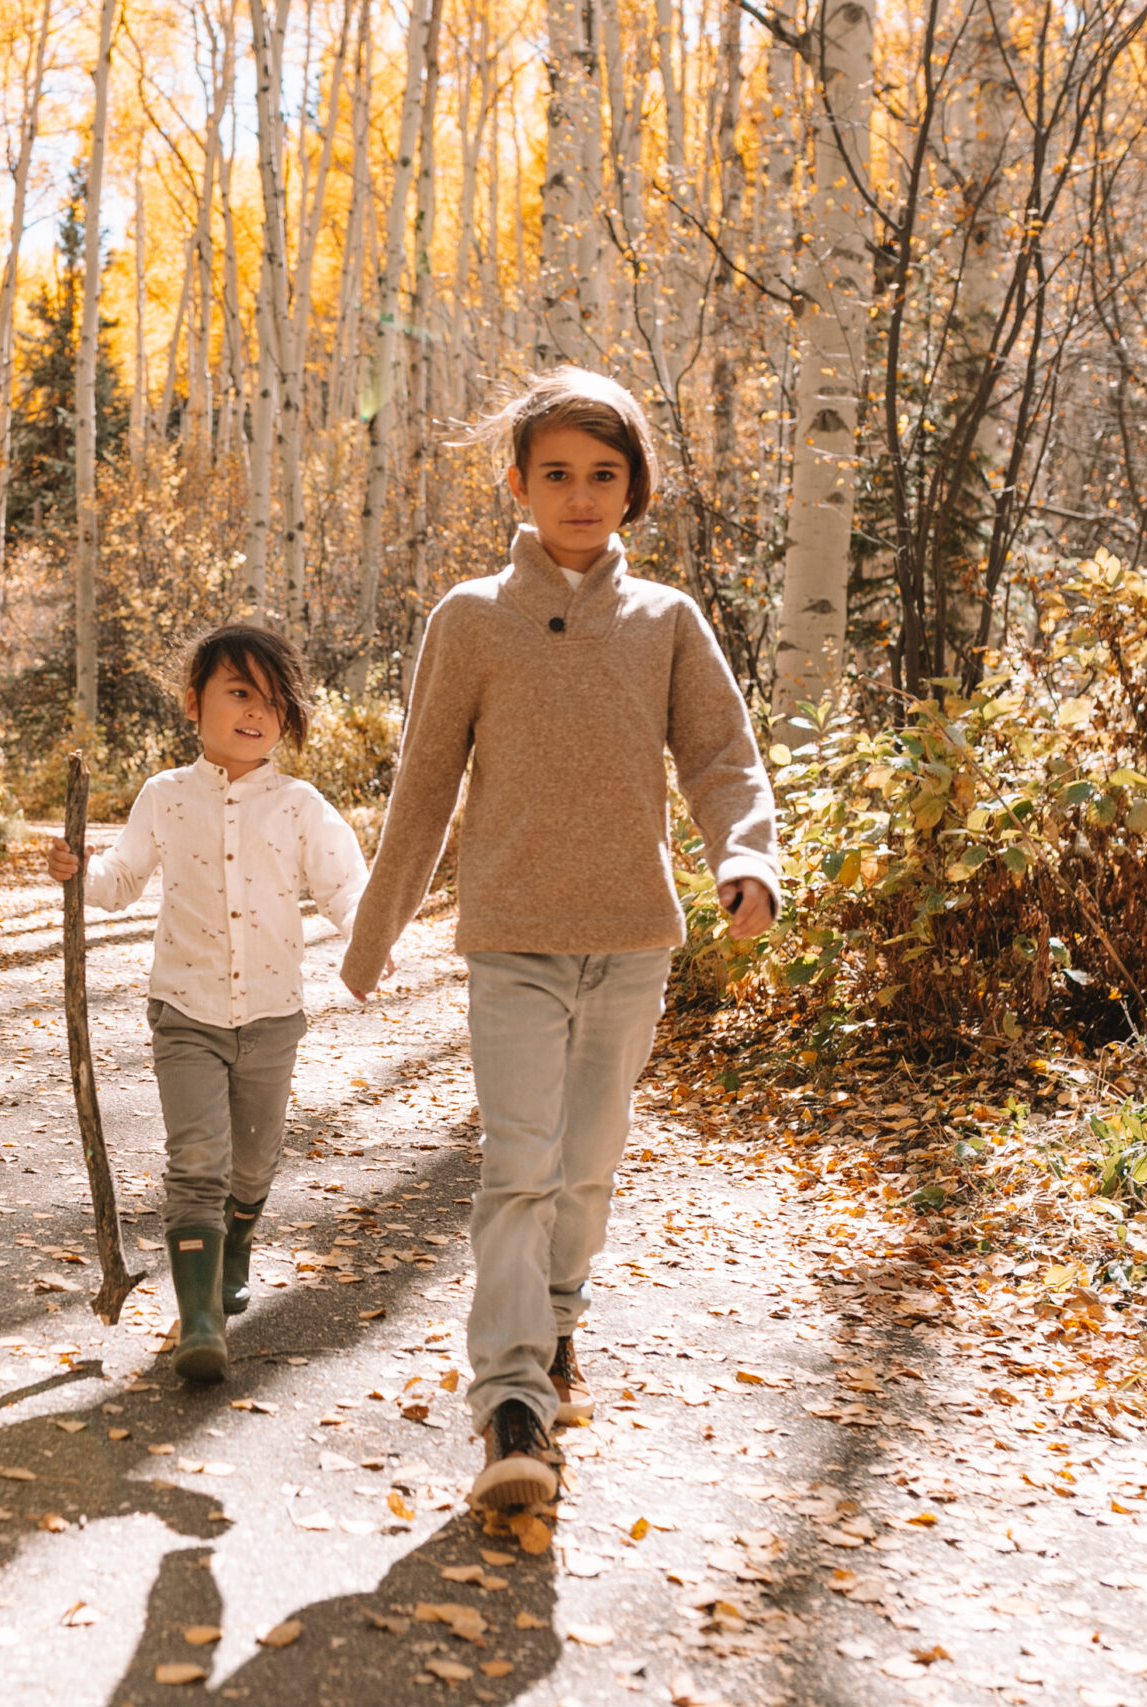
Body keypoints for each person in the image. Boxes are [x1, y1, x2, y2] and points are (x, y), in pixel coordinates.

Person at [340, 367, 780, 1507]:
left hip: (633, 939)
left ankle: (559, 1322)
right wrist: (376, 927)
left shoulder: (665, 622)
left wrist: (745, 853)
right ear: (517, 487)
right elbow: (424, 783)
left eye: (603, 475)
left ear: (632, 489)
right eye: (556, 476)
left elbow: (723, 757)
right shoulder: (471, 619)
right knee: (517, 1166)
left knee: (584, 1173)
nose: (580, 497)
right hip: (512, 939)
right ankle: (511, 1409)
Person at [46, 625, 369, 1382]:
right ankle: (198, 1321)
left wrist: (367, 939)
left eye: (273, 700)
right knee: (197, 1159)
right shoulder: (165, 796)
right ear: (195, 702)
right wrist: (77, 874)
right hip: (184, 1011)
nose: (257, 712)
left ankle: (239, 1237)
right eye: (239, 692)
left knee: (251, 1163)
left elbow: (343, 885)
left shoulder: (300, 806)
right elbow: (120, 881)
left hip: (271, 1015)